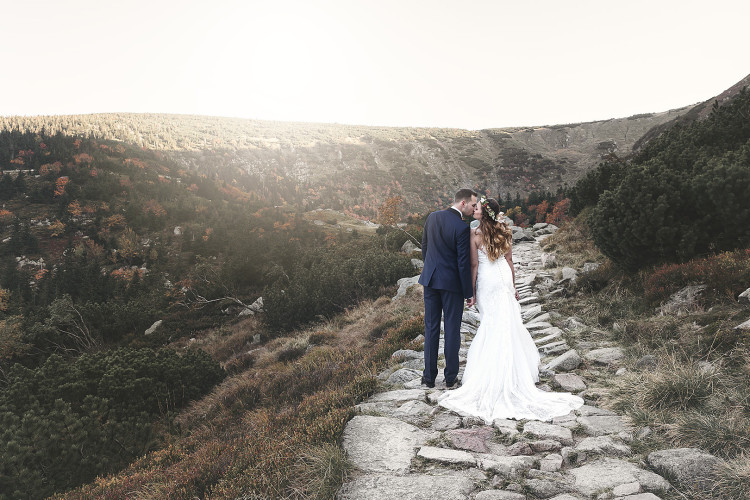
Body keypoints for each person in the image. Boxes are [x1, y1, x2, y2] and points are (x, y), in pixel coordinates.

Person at [439, 197, 583, 422]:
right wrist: (513, 286)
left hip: (488, 280)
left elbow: (474, 265)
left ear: (484, 213)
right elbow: (509, 261)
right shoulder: (505, 231)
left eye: (478, 208)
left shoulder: (475, 234)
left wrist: (472, 292)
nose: (475, 209)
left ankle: (494, 374)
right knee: (507, 322)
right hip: (504, 279)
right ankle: (515, 372)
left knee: (491, 324)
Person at [418, 189, 477, 388]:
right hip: (451, 285)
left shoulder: (432, 217)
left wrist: (430, 269)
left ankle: (429, 377)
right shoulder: (461, 227)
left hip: (430, 280)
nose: (474, 208)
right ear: (463, 203)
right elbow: (463, 263)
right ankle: (450, 377)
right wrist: (468, 292)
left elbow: (425, 247)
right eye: (472, 205)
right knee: (452, 329)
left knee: (431, 328)